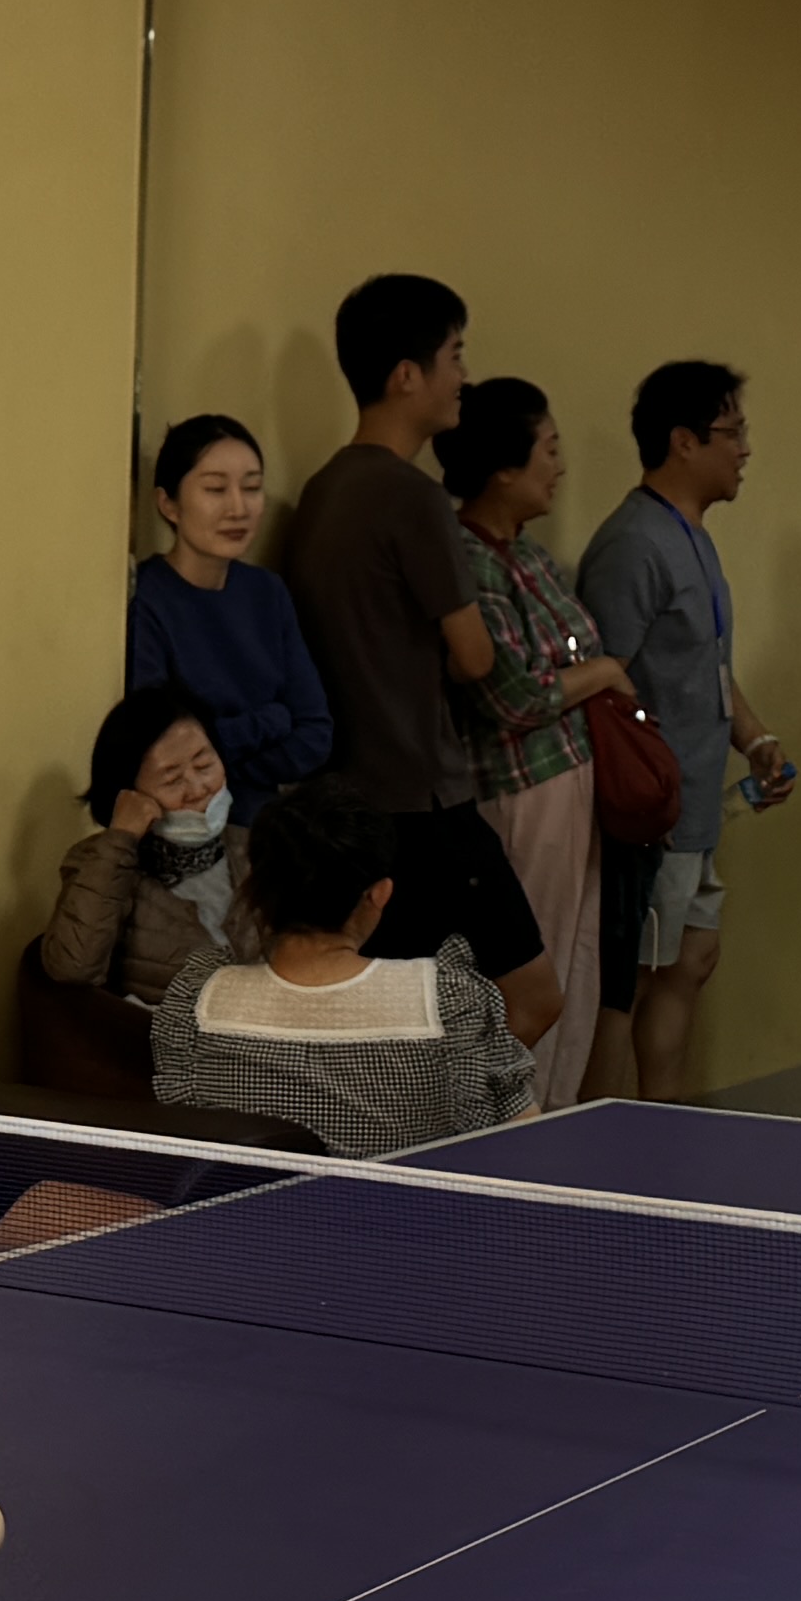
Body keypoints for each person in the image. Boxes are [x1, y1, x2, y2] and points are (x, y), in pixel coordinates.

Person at [284, 273, 558, 1046]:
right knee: (531, 998)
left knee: (392, 1015)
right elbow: (474, 657)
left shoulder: (321, 489)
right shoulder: (412, 496)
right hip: (424, 799)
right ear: (408, 375)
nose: (464, 377)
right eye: (455, 355)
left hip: (348, 798)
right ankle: (446, 1115)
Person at [581, 360, 797, 1103]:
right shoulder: (633, 544)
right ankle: (602, 1137)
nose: (745, 450)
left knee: (691, 963)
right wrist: (646, 787)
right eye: (732, 433)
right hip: (652, 814)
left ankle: (664, 1125)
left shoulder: (694, 537)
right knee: (633, 981)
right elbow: (604, 682)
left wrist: (755, 739)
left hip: (699, 804)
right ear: (683, 441)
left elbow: (704, 663)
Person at [435, 373, 634, 1102]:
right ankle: (512, 1115)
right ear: (502, 468)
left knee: (579, 960)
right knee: (531, 965)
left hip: (574, 779)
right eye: (548, 449)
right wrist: (601, 672)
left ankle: (558, 1112)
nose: (560, 466)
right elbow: (512, 696)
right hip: (521, 791)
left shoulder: (534, 557)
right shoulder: (470, 561)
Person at [150, 796, 541, 1155]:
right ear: (379, 894)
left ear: (256, 885)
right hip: (414, 1210)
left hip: (244, 1210)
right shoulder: (448, 1001)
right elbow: (521, 1132)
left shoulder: (196, 998)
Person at [124, 412, 334, 819]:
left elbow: (315, 732)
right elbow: (165, 750)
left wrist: (227, 768)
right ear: (168, 504)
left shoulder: (267, 591)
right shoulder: (148, 599)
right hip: (187, 828)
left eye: (252, 488)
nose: (238, 508)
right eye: (215, 489)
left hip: (269, 822)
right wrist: (271, 720)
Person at [35, 687, 246, 1011]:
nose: (197, 789)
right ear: (129, 794)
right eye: (172, 780)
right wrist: (121, 838)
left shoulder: (256, 848)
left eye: (204, 765)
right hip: (163, 1036)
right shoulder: (101, 863)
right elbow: (71, 968)